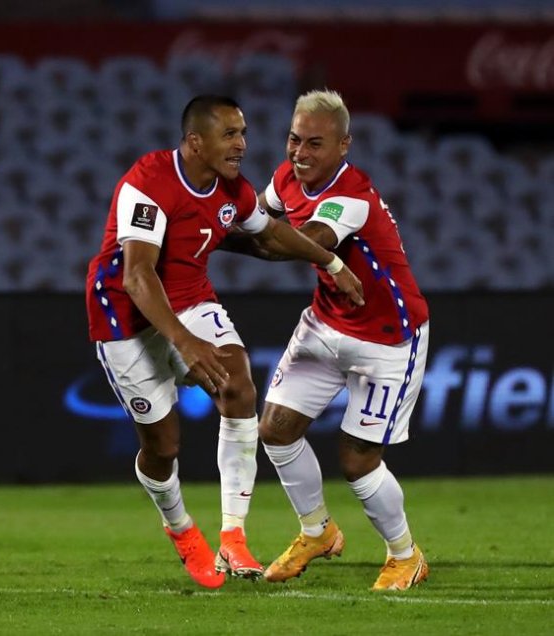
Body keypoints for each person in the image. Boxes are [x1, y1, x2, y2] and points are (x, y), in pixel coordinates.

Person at [85, 95, 364, 589]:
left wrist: (331, 263)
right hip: (125, 315)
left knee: (239, 388)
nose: (242, 144)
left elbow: (272, 234)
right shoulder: (148, 181)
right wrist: (185, 343)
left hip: (190, 298)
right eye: (230, 134)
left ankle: (232, 538)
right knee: (162, 447)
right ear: (195, 142)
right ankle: (180, 528)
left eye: (243, 132)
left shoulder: (233, 190)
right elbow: (137, 275)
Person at [225, 89, 430, 590]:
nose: (300, 153)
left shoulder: (351, 197)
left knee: (359, 462)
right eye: (294, 140)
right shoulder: (285, 178)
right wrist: (217, 222)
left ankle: (406, 556)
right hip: (326, 322)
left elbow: (301, 244)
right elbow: (257, 219)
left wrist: (207, 234)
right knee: (274, 429)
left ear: (343, 145)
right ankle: (317, 531)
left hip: (388, 338)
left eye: (314, 143)